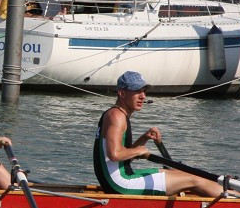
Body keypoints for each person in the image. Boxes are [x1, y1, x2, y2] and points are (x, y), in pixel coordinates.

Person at [93, 71, 223, 197]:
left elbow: (123, 158)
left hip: (120, 179)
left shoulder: (115, 114)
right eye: (137, 91)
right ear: (122, 93)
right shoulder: (117, 116)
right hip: (120, 184)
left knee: (180, 172)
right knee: (194, 180)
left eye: (144, 91)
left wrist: (144, 139)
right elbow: (115, 154)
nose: (143, 96)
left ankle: (232, 195)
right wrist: (139, 150)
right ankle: (237, 203)